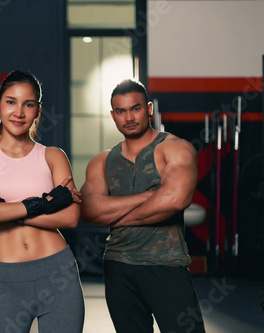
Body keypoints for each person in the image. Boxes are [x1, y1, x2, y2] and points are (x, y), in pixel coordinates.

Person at [0, 70, 85, 332]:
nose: (19, 112)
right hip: (7, 279)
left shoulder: (53, 156)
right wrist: (43, 204)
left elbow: (70, 217)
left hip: (58, 273)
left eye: (28, 104)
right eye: (10, 102)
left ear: (37, 110)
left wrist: (2, 207)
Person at [80, 79, 206, 333]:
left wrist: (116, 216)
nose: (128, 117)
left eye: (135, 108)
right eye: (121, 111)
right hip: (118, 267)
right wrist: (150, 196)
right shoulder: (102, 161)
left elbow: (175, 199)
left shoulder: (175, 148)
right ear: (112, 115)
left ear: (149, 109)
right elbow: (88, 210)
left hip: (165, 265)